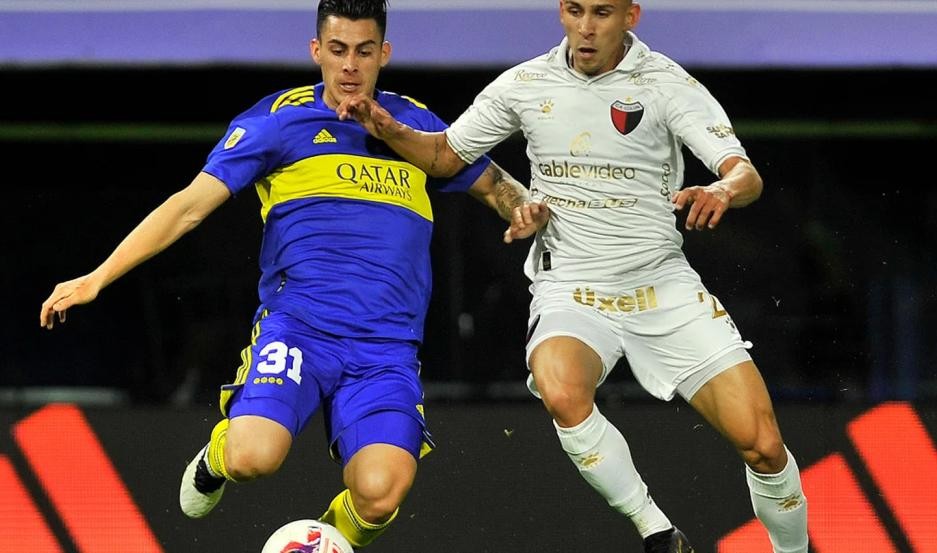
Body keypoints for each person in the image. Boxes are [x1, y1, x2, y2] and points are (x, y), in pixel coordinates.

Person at [38, 0, 544, 549]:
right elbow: (188, 207)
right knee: (254, 457)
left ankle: (321, 541)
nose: (349, 65)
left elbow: (496, 183)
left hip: (385, 349)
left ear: (384, 54)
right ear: (316, 51)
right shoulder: (277, 121)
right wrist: (98, 276)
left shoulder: (414, 125)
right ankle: (216, 458)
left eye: (364, 51)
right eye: (338, 50)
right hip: (300, 330)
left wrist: (522, 207)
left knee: (381, 493)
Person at [335, 1, 809, 552]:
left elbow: (744, 173)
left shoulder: (666, 84)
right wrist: (390, 129)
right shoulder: (525, 83)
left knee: (763, 445)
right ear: (561, 11)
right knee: (560, 387)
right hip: (573, 288)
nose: (585, 28)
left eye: (601, 13)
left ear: (631, 16)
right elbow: (445, 155)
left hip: (662, 287)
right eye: (575, 10)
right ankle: (657, 532)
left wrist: (722, 189)